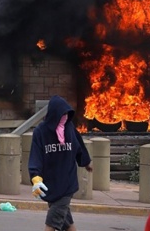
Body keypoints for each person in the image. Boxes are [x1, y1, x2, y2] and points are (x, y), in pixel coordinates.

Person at [28, 95, 93, 231]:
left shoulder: (69, 128)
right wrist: (36, 178)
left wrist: (86, 162)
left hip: (67, 184)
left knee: (52, 223)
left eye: (66, 114)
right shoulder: (41, 132)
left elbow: (78, 146)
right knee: (66, 222)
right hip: (50, 183)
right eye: (61, 114)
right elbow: (36, 156)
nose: (64, 117)